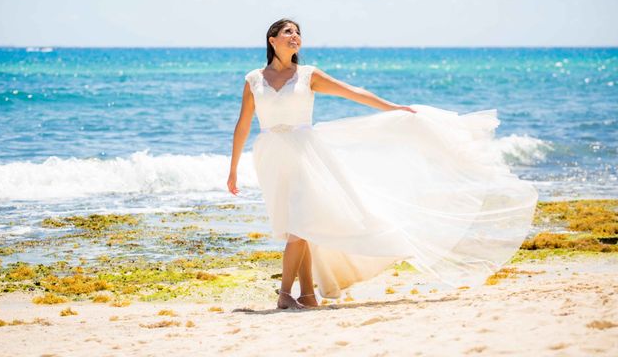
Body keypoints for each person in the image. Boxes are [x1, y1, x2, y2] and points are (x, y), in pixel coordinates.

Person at [227, 19, 538, 310]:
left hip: (307, 154)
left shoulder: (308, 75)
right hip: (271, 155)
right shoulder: (255, 79)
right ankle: (307, 296)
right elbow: (243, 124)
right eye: (288, 32)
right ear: (272, 40)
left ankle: (284, 295)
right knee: (299, 225)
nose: (295, 37)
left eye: (298, 33)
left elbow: (353, 93)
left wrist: (393, 108)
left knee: (299, 224)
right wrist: (233, 169)